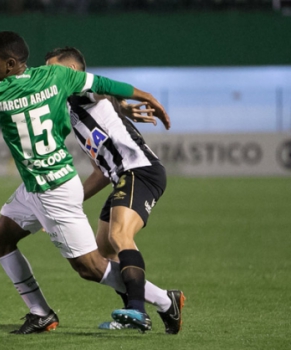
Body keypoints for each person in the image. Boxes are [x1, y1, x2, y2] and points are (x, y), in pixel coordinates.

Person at [0, 9, 172, 334]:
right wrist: (140, 95)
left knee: (91, 267)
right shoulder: (55, 78)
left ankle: (164, 300)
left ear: (10, 65)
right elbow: (103, 83)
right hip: (37, 186)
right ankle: (41, 313)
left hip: (53, 188)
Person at [45, 47, 185, 334]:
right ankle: (164, 302)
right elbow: (101, 170)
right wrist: (72, 201)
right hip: (121, 177)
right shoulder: (73, 109)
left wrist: (137, 99)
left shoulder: (83, 93)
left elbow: (101, 89)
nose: (48, 76)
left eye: (52, 70)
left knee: (119, 235)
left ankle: (137, 309)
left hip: (140, 170)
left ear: (71, 71)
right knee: (103, 256)